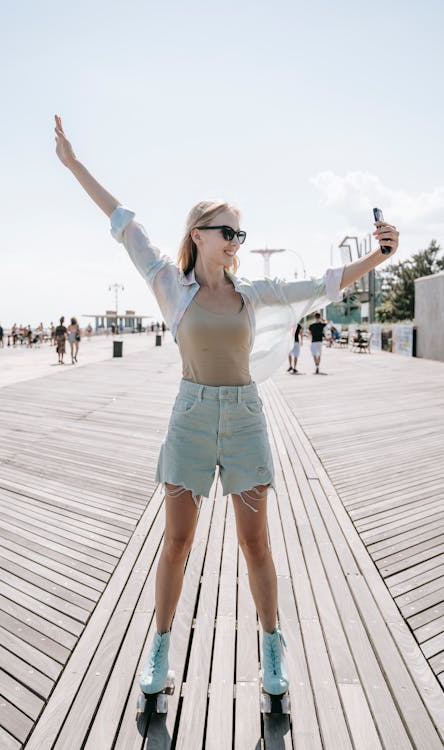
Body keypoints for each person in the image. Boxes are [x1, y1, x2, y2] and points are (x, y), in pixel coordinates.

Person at [54, 113, 399, 711]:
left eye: (240, 233)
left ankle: (271, 648)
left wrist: (378, 258)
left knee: (256, 545)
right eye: (228, 233)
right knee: (177, 542)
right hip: (189, 417)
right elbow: (122, 224)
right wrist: (75, 164)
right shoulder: (169, 281)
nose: (237, 242)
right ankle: (160, 646)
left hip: (243, 419)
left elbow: (322, 282)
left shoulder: (253, 293)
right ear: (199, 234)